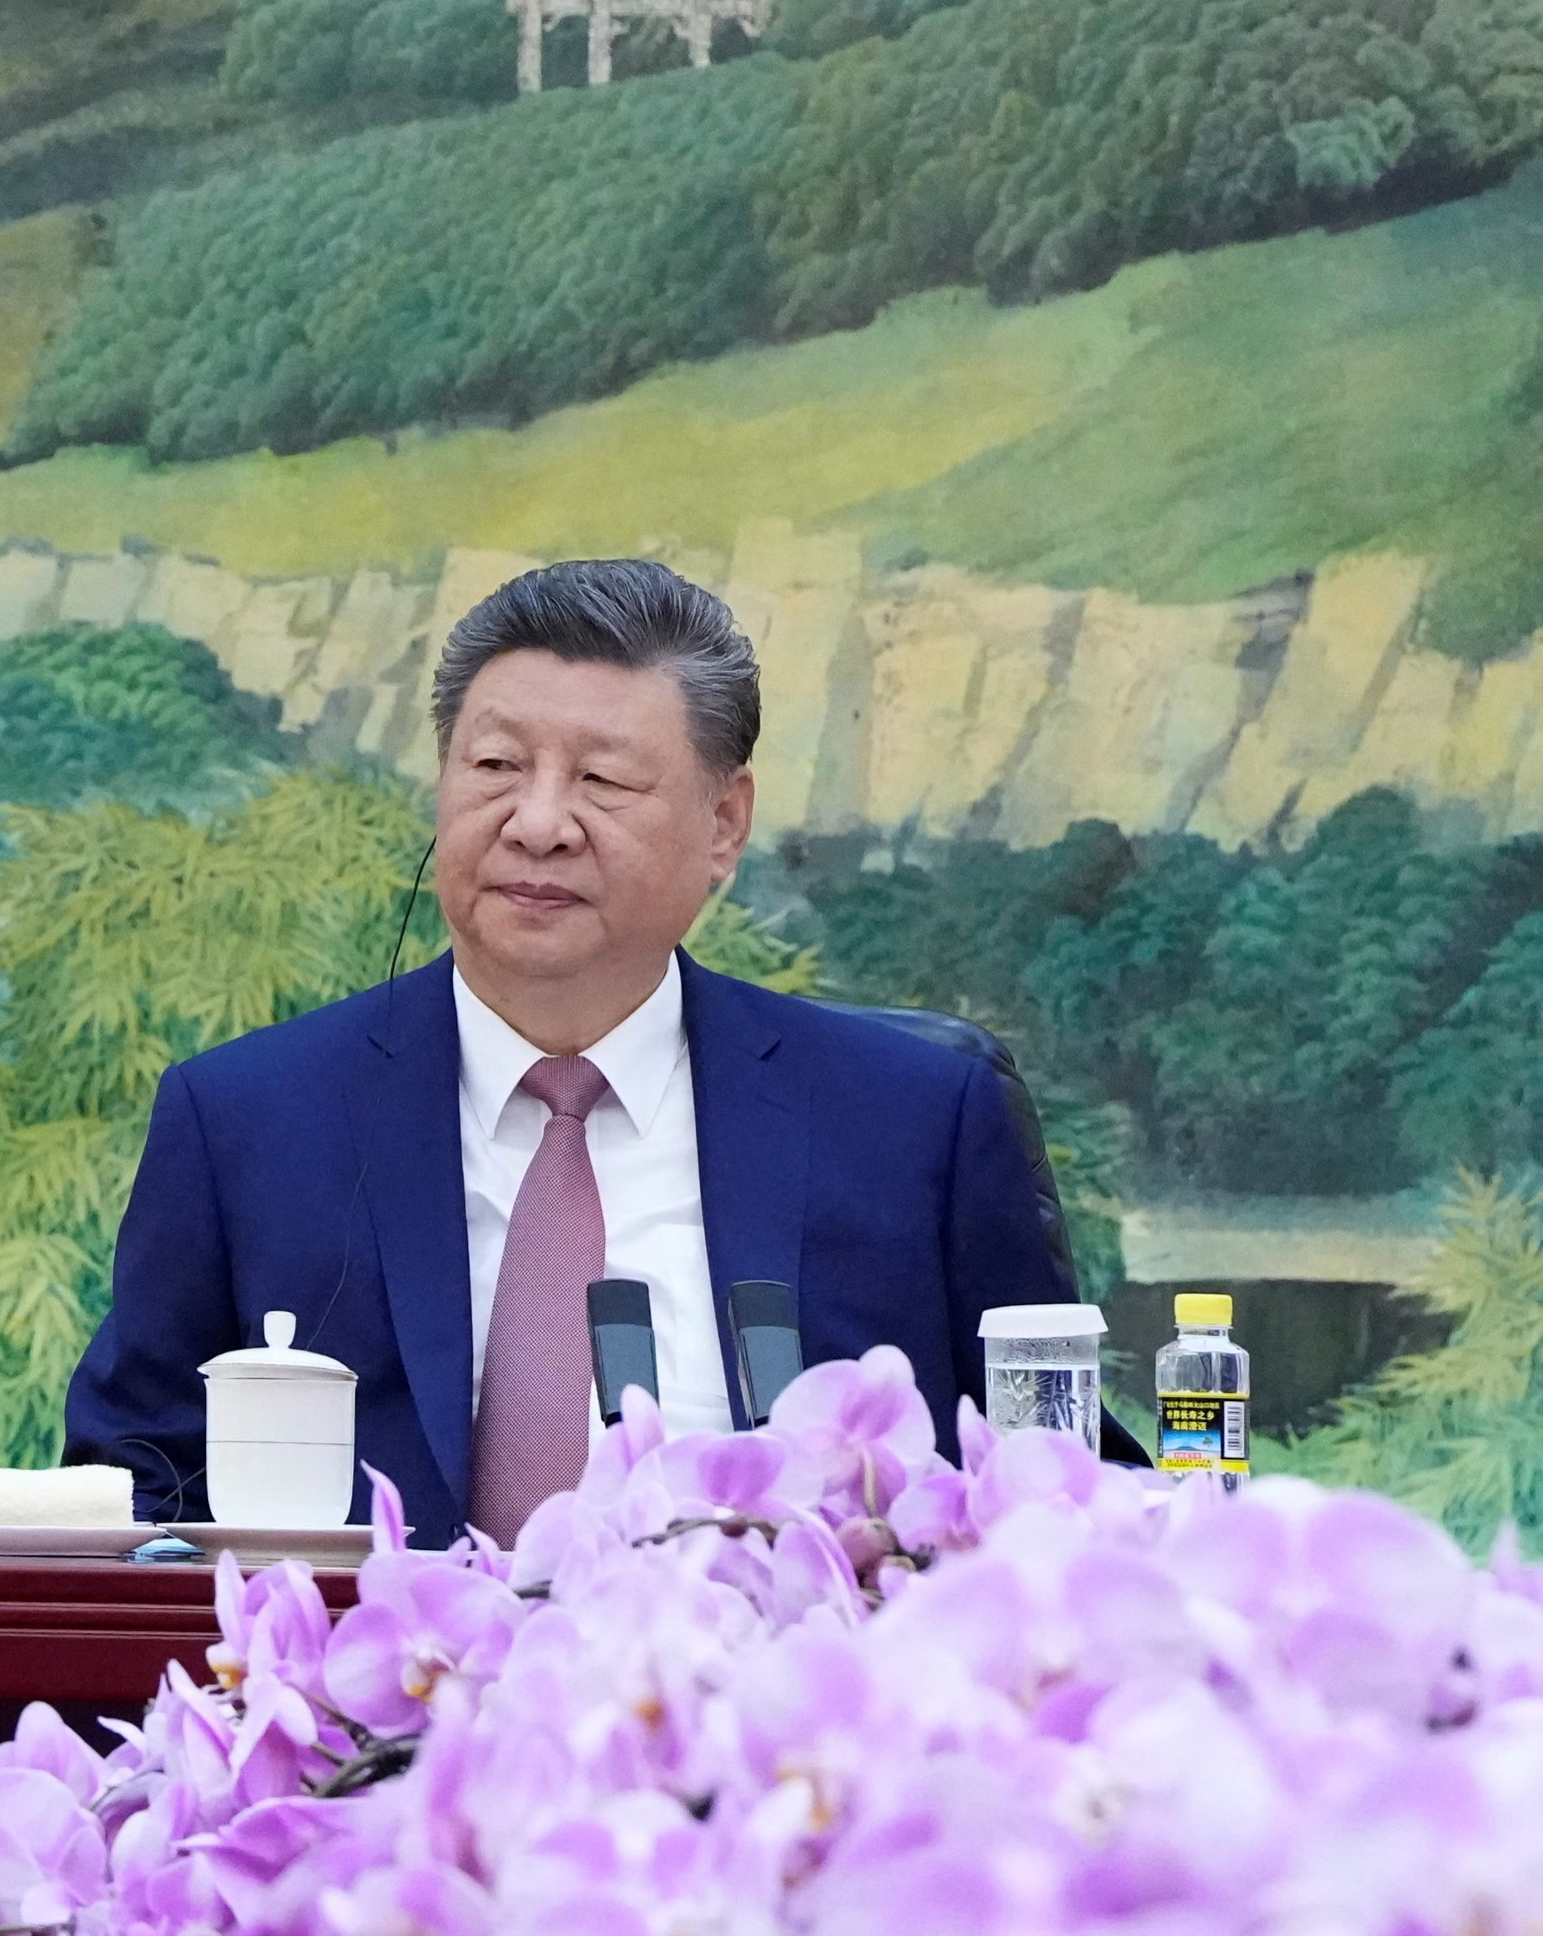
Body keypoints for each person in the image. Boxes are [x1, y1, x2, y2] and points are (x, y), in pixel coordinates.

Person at [63, 556, 1076, 1541]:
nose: (537, 823)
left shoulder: (914, 1124)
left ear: (723, 824)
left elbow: (1063, 1495)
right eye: (495, 767)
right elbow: (127, 1492)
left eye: (602, 778)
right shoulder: (245, 1121)